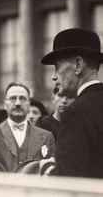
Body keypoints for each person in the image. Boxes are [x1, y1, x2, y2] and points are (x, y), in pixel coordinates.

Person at [40, 28, 103, 178]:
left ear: (78, 65)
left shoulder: (76, 112)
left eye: (57, 67)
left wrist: (46, 168)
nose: (54, 77)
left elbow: (67, 182)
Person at [0, 82, 55, 172]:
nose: (18, 103)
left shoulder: (47, 137)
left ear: (29, 104)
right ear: (5, 105)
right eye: (12, 99)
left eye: (23, 99)